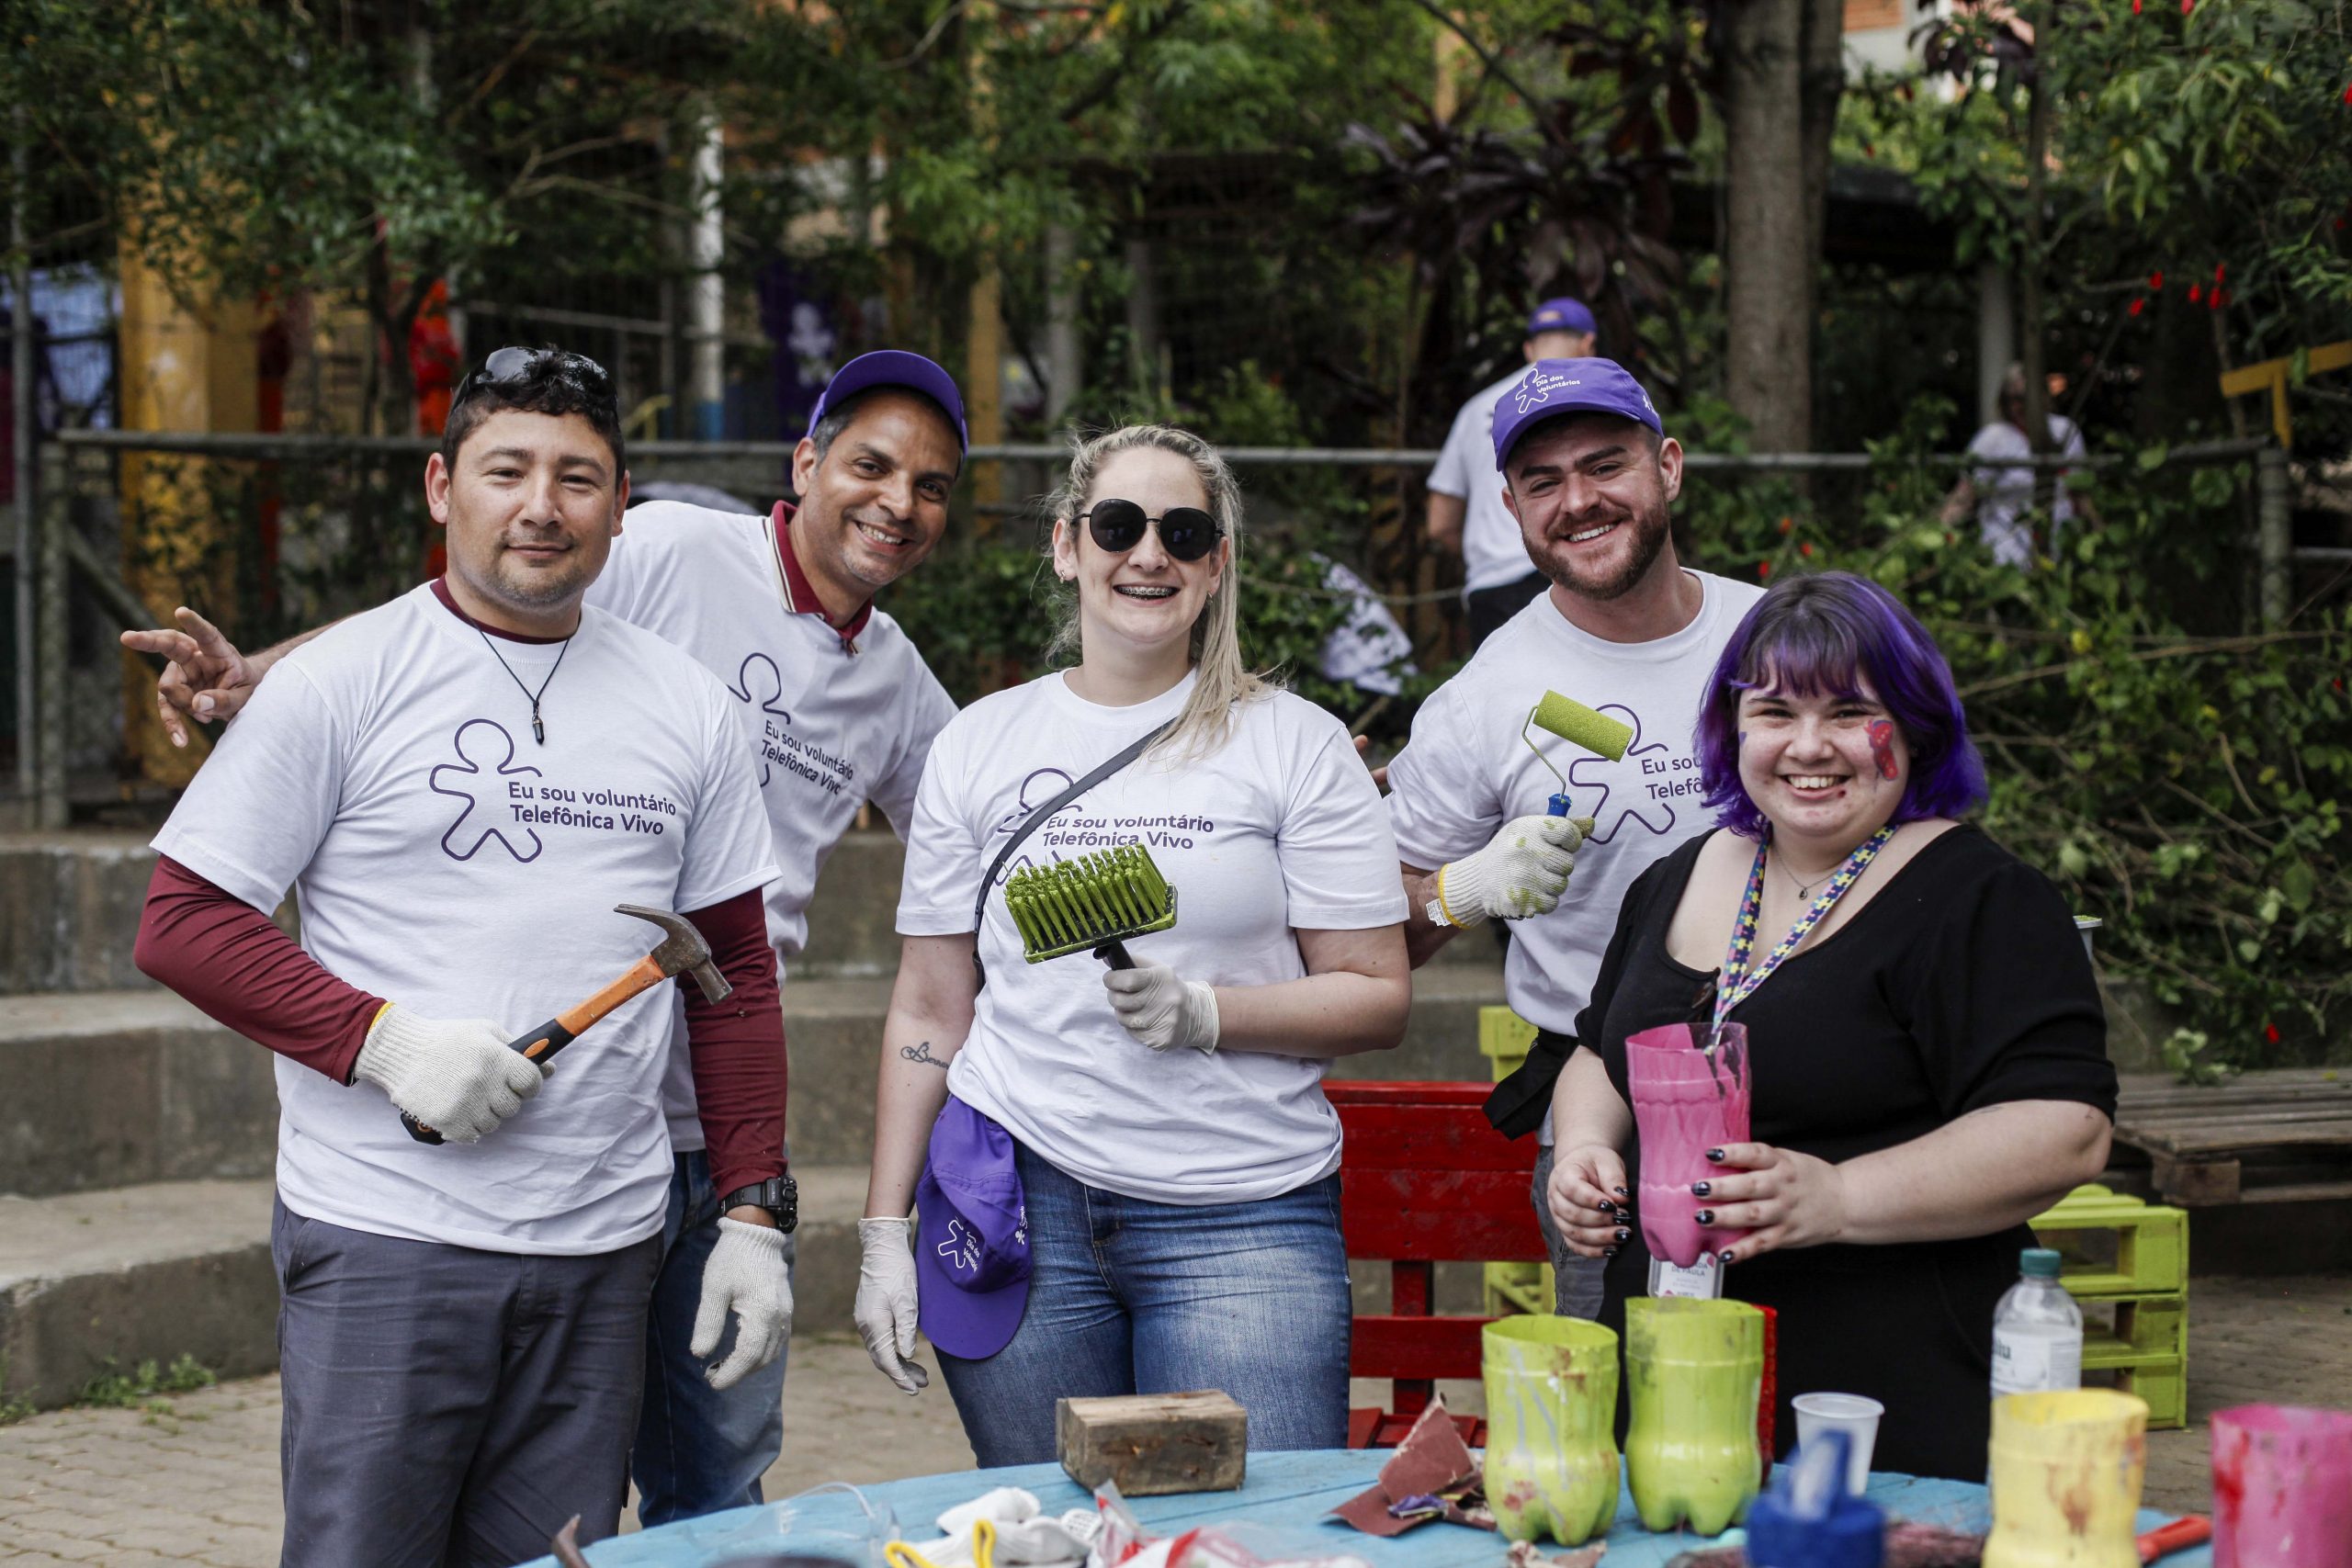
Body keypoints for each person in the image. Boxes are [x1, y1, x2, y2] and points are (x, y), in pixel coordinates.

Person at [126, 350, 970, 1527]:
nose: (543, 505)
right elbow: (187, 917)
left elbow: (767, 958)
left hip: (637, 1180)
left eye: (577, 480)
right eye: (871, 464)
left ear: (612, 504)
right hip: (400, 1214)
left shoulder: (810, 697)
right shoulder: (645, 561)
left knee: (687, 1497)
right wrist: (384, 1041)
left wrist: (753, 1210)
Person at [853, 424, 1411, 1464]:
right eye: (1118, 525)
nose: (1147, 553)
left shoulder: (1297, 744)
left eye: (1182, 530)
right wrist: (885, 1227)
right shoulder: (979, 742)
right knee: (1059, 1538)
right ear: (1068, 545)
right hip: (1021, 1206)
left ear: (1217, 562)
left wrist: (1211, 1013)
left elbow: (1375, 993)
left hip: (1243, 1219)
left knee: (1252, 1545)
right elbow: (931, 1006)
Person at [1543, 570, 2116, 1481]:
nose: (1808, 747)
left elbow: (2064, 1132)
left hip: (1885, 1394)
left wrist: (1838, 1197)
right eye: (1773, 712)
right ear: (1734, 728)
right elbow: (1597, 1055)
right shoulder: (1678, 874)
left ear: (1915, 727)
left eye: (1850, 711)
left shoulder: (1981, 899)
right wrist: (1581, 1150)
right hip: (1665, 1374)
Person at [1385, 356, 1763, 1320]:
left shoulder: (1771, 639)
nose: (1579, 501)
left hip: (1814, 1077)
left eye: (1606, 466)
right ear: (1508, 506)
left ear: (1668, 468)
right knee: (1634, 1410)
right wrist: (1464, 890)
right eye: (1545, 482)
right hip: (1610, 1116)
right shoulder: (1483, 698)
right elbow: (1375, 934)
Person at [1427, 297, 1602, 649]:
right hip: (1566, 570)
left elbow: (1439, 522)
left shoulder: (1476, 409)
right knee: (1578, 695)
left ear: (1528, 349)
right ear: (1588, 345)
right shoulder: (1595, 398)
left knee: (1514, 700)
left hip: (1490, 587)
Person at [1938, 363, 2101, 568]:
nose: (2020, 406)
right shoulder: (1992, 439)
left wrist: (2100, 537)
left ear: (2043, 396)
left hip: (2060, 554)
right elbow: (1965, 496)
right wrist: (1936, 536)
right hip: (2005, 558)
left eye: (2026, 398)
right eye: (2013, 399)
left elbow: (2080, 494)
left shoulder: (2066, 432)